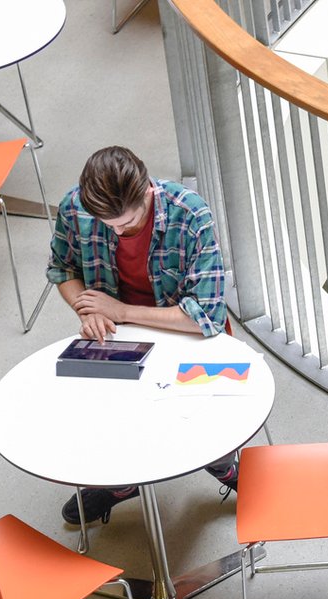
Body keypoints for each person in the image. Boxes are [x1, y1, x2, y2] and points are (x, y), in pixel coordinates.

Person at [45, 146, 233, 530]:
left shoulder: (191, 212)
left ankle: (223, 467)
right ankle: (123, 484)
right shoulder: (74, 206)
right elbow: (62, 269)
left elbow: (206, 318)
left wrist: (119, 310)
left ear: (148, 192)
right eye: (107, 224)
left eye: (127, 222)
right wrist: (89, 309)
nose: (117, 231)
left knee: (204, 420)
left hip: (188, 334)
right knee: (110, 419)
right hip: (118, 338)